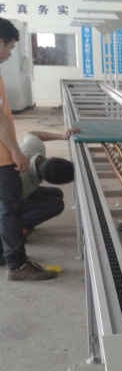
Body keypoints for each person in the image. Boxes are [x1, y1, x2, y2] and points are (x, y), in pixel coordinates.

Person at [0, 17, 56, 280]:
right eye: (10, 47)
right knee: (9, 209)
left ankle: (11, 256)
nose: (10, 53)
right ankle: (17, 265)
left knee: (7, 208)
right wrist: (15, 152)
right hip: (2, 158)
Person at [18, 130, 75, 239]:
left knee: (57, 194)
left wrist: (62, 136)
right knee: (57, 205)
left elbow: (33, 133)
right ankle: (19, 227)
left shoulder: (34, 147)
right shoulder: (21, 182)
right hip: (9, 198)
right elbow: (7, 205)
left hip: (19, 192)